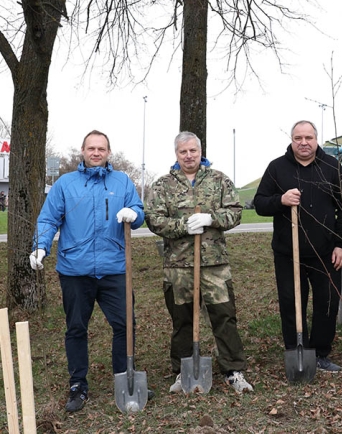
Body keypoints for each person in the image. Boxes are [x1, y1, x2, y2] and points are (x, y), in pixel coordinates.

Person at [29, 130, 145, 412]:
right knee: (77, 328)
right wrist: (41, 246)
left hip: (114, 269)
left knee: (124, 325)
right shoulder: (66, 184)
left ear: (108, 152)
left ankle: (123, 378)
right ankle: (78, 385)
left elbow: (139, 210)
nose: (96, 153)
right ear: (82, 151)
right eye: (91, 148)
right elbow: (48, 218)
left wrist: (135, 214)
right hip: (75, 269)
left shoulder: (122, 181)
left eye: (101, 148)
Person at [145, 131, 253, 393]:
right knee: (182, 319)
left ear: (200, 151)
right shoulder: (163, 185)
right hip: (178, 266)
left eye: (193, 150)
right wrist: (183, 225)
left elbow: (235, 212)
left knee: (224, 316)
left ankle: (233, 370)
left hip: (214, 264)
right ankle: (183, 371)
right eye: (183, 152)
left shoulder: (218, 180)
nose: (189, 156)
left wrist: (211, 219)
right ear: (176, 154)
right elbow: (153, 219)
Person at [254, 120, 342, 372]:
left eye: (308, 137)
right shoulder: (277, 168)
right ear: (292, 139)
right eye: (298, 138)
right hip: (288, 253)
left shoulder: (332, 167)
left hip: (326, 252)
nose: (303, 142)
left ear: (316, 139)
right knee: (291, 301)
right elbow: (260, 203)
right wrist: (281, 200)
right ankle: (296, 350)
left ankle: (320, 353)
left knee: (327, 302)